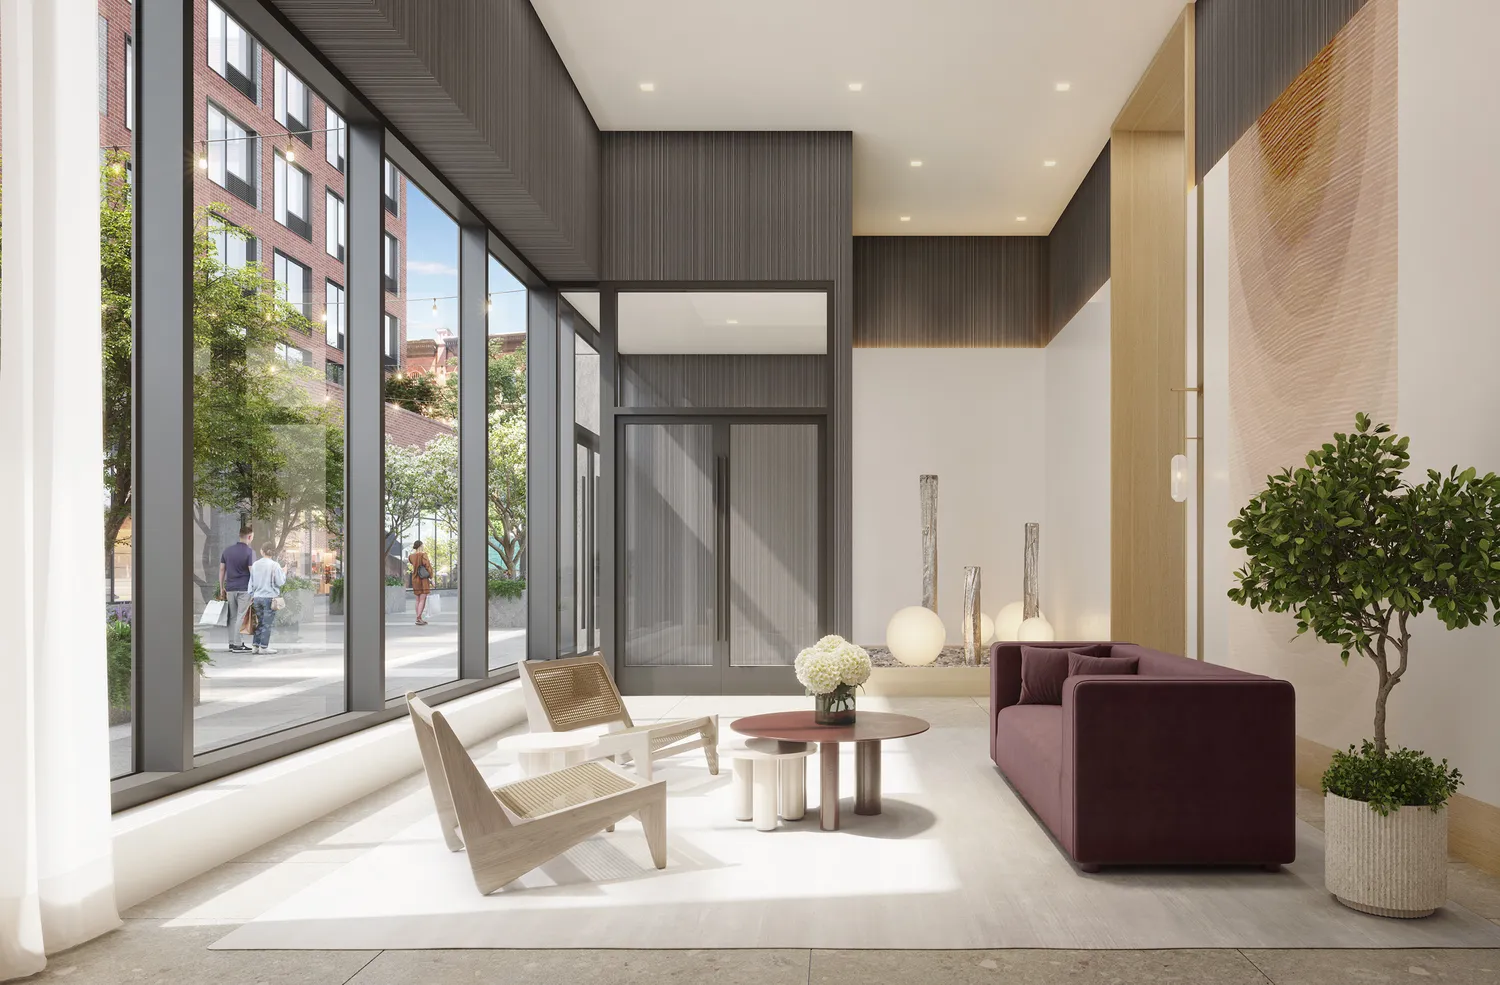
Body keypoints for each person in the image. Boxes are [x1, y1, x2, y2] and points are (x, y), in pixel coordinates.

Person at [218, 525, 255, 653]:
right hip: (244, 588)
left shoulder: (227, 551)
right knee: (241, 615)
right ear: (249, 537)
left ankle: (232, 643)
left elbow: (222, 569)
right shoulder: (250, 552)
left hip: (230, 588)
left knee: (232, 617)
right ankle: (238, 644)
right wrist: (255, 589)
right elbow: (252, 572)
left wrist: (222, 587)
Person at [247, 545, 287, 655]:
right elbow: (280, 582)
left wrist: (252, 595)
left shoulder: (255, 564)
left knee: (259, 623)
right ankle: (263, 647)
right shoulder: (275, 565)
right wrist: (284, 572)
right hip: (269, 598)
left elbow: (251, 582)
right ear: (272, 553)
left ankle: (255, 646)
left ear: (261, 551)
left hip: (257, 597)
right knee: (267, 624)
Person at [409, 540, 433, 626]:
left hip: (415, 579)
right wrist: (431, 577)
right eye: (422, 545)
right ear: (420, 546)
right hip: (423, 580)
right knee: (422, 599)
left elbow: (414, 564)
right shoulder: (423, 555)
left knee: (417, 599)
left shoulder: (411, 556)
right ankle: (418, 618)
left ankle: (419, 618)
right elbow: (428, 567)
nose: (423, 546)